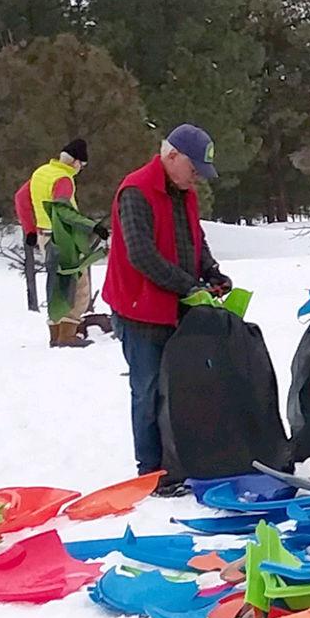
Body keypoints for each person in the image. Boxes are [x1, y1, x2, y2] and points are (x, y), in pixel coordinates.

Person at [102, 124, 231, 494]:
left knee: (177, 389)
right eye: (193, 169)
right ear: (172, 156)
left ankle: (178, 460)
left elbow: (194, 237)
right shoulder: (136, 191)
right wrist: (188, 286)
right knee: (147, 390)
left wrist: (210, 271)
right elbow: (141, 254)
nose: (196, 178)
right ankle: (151, 471)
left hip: (175, 308)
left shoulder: (184, 193)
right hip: (138, 310)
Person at [13, 139, 106, 346]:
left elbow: (21, 198)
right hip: (64, 237)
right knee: (78, 287)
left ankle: (55, 335)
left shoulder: (41, 173)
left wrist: (30, 230)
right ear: (75, 162)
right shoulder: (64, 180)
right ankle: (67, 335)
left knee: (56, 286)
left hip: (45, 236)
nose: (81, 169)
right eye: (82, 165)